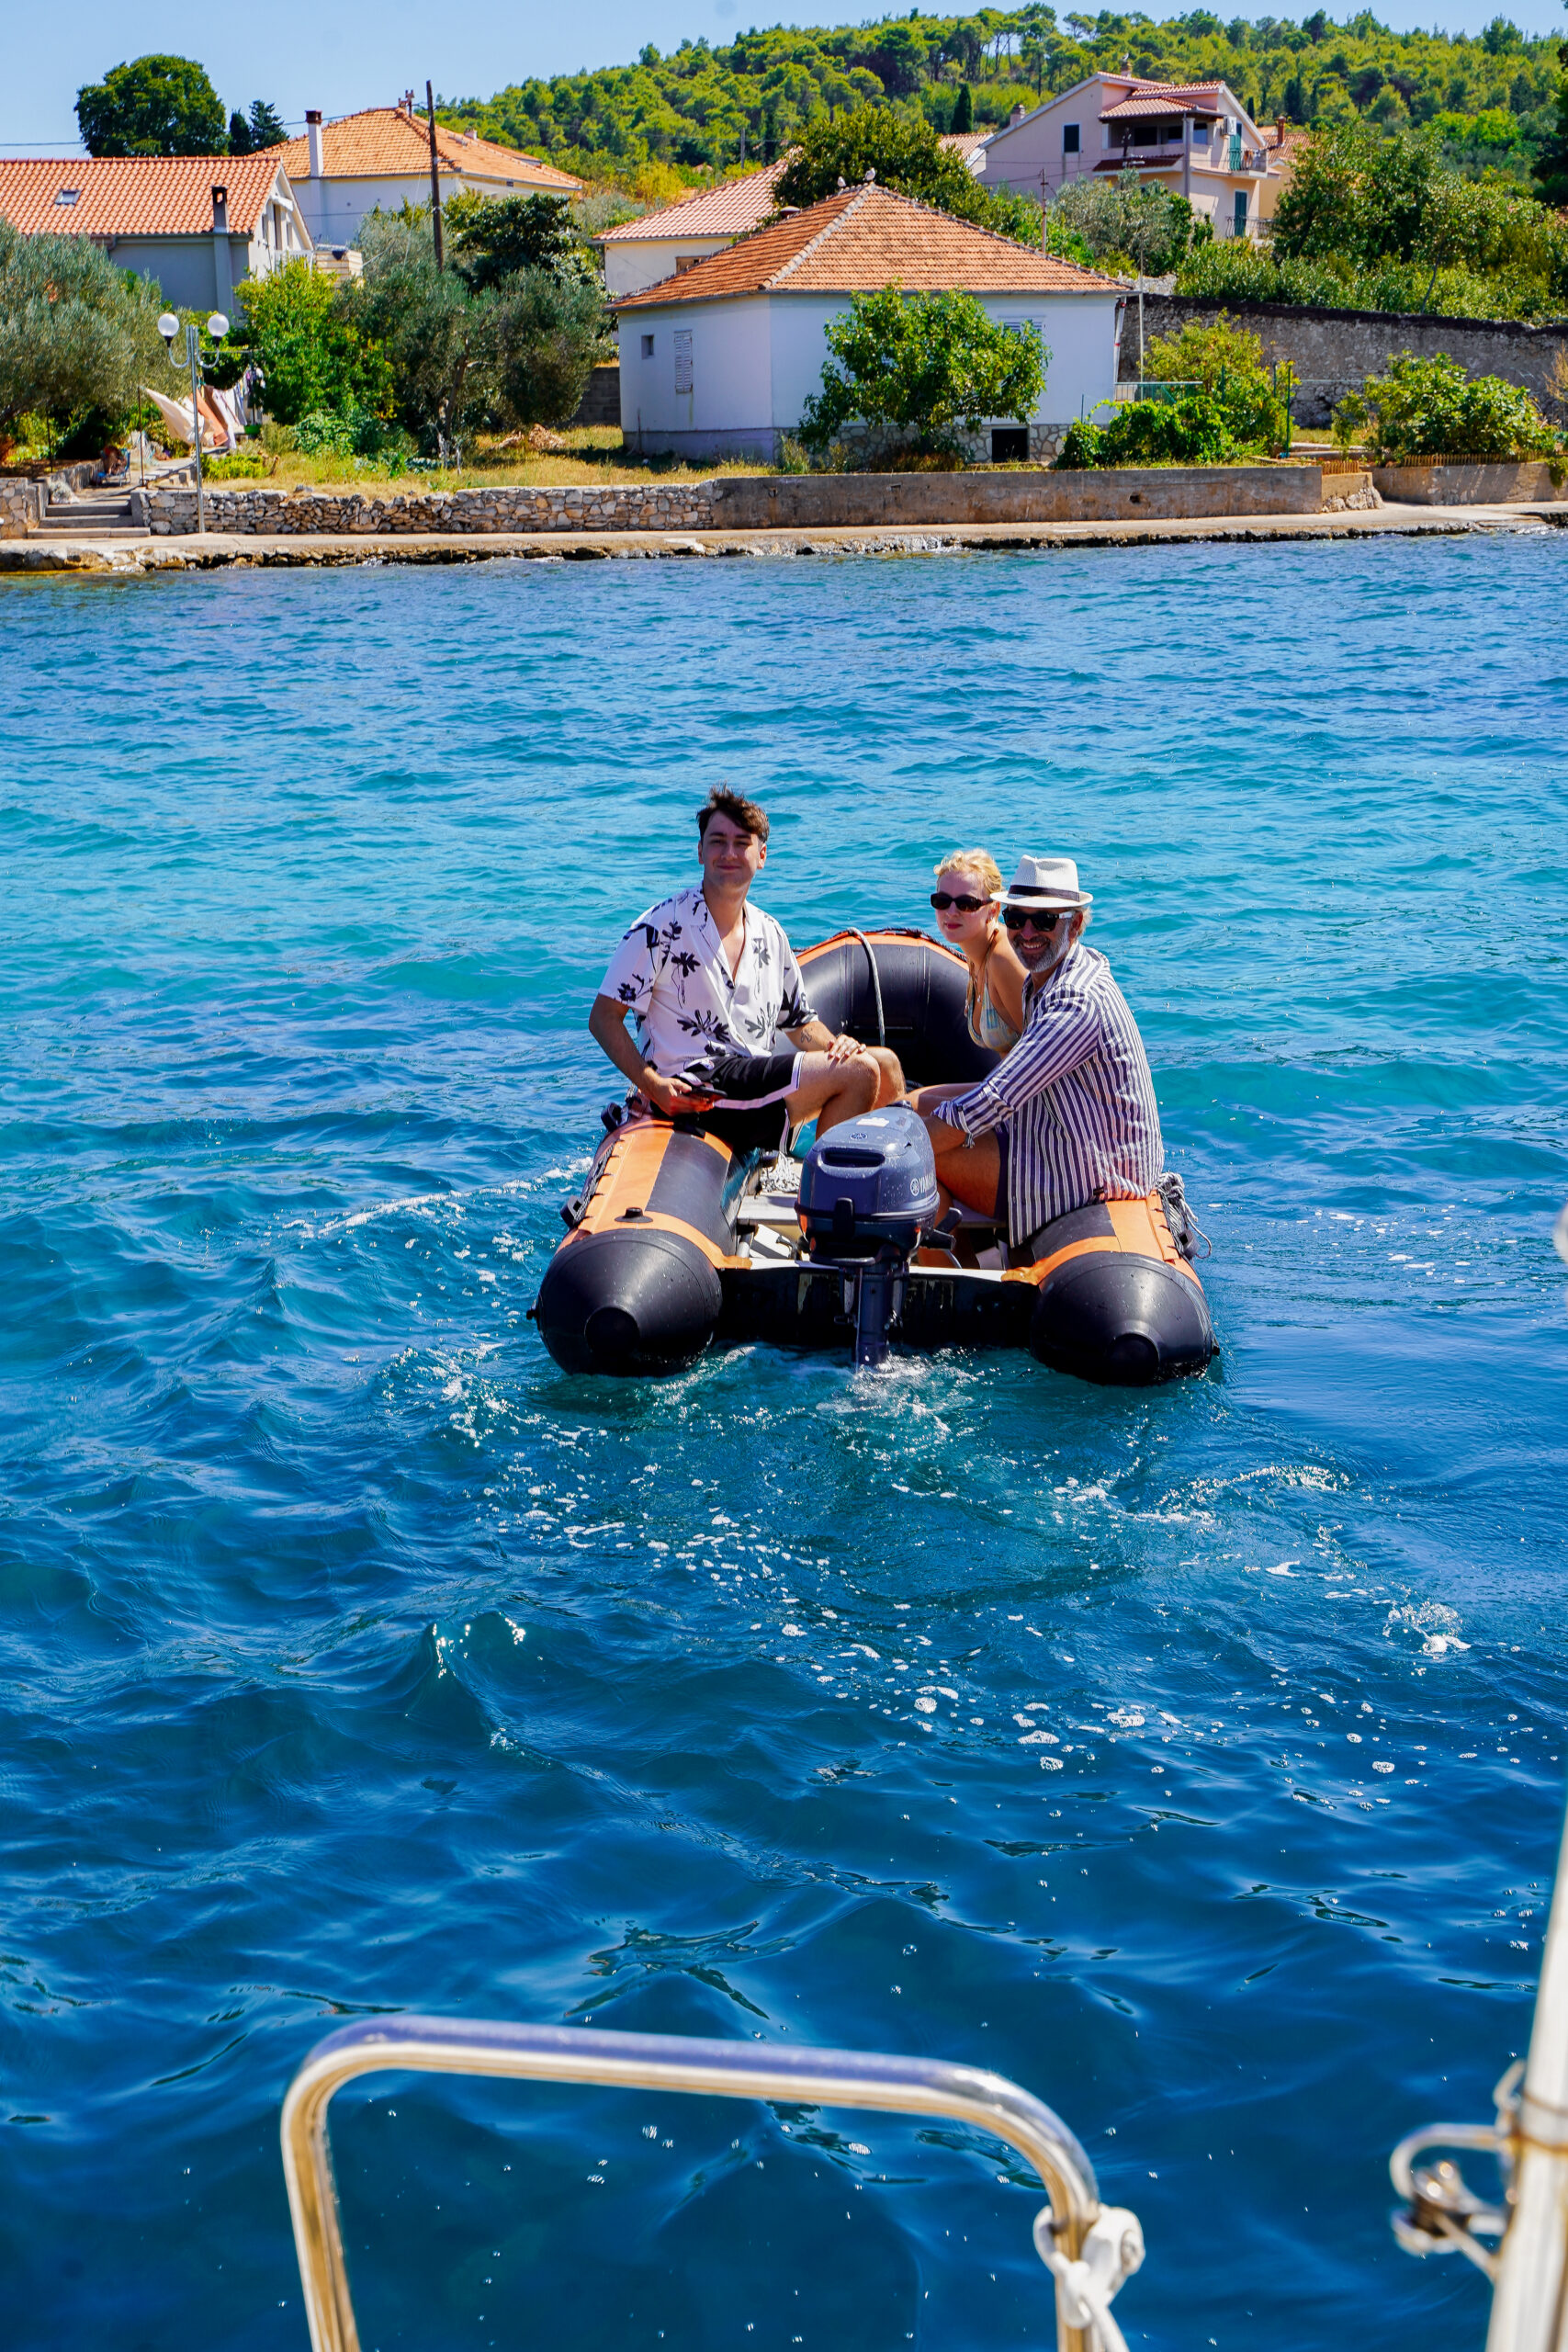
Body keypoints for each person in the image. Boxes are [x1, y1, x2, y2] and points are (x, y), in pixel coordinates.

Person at [590, 786, 903, 1153]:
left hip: (750, 1079)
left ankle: (882, 1176)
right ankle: (826, 1187)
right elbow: (603, 1018)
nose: (729, 853)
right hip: (696, 1086)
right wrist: (652, 1085)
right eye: (718, 842)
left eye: (741, 843)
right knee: (859, 1072)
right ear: (700, 852)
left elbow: (799, 1024)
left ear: (761, 856)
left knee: (884, 1064)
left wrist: (838, 1046)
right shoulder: (661, 926)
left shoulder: (770, 933)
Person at [917, 854, 1164, 1253]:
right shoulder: (1048, 980)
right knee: (920, 1119)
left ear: (1076, 924)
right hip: (1066, 1139)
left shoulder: (1075, 1001)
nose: (1027, 932)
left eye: (1045, 921)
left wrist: (904, 1145)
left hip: (1096, 1176)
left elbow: (997, 1098)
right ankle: (963, 1255)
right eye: (1017, 919)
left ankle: (949, 1275)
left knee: (919, 1159)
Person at [908, 849, 1028, 1118]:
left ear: (993, 909)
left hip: (1026, 1104)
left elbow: (1040, 1054)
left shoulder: (1002, 959)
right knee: (908, 1103)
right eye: (942, 901)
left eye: (966, 904)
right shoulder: (975, 957)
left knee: (914, 1115)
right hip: (1003, 1090)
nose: (951, 912)